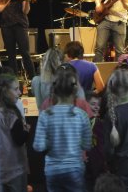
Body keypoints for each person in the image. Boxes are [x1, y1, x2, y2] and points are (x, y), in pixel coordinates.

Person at [33, 64, 92, 192]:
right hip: (75, 169)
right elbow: (87, 145)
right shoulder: (81, 115)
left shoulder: (45, 115)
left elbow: (38, 146)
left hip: (52, 171)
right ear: (74, 90)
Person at [0, 72, 30, 191]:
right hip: (14, 168)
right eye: (16, 89)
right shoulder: (10, 114)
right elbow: (19, 140)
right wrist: (26, 130)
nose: (19, 93)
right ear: (5, 90)